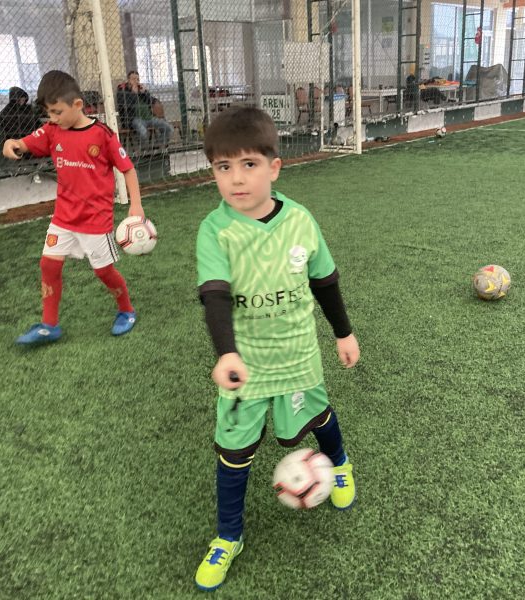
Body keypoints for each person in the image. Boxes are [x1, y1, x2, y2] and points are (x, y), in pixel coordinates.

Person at [194, 106, 361, 592]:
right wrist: (226, 353)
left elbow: (325, 280)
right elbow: (214, 294)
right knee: (233, 451)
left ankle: (341, 464)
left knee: (319, 415)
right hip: (246, 365)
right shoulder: (215, 230)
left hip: (297, 354)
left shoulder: (300, 221)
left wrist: (343, 332)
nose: (236, 179)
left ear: (274, 167)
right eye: (224, 167)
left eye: (249, 164)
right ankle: (229, 536)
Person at [2, 70, 144, 345]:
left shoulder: (102, 135)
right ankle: (49, 325)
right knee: (48, 265)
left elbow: (128, 169)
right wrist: (12, 143)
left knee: (103, 272)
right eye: (48, 113)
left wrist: (135, 205)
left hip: (95, 220)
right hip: (63, 219)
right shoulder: (52, 131)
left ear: (77, 104)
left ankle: (126, 310)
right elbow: (25, 143)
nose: (52, 118)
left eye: (57, 112)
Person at [116, 71, 173, 147]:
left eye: (137, 79)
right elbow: (125, 105)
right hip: (134, 119)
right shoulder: (122, 90)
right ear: (128, 80)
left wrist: (145, 92)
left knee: (169, 128)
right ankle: (144, 151)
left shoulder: (140, 90)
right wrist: (133, 93)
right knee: (143, 133)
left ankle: (157, 146)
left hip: (149, 118)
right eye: (133, 79)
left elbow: (152, 101)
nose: (136, 81)